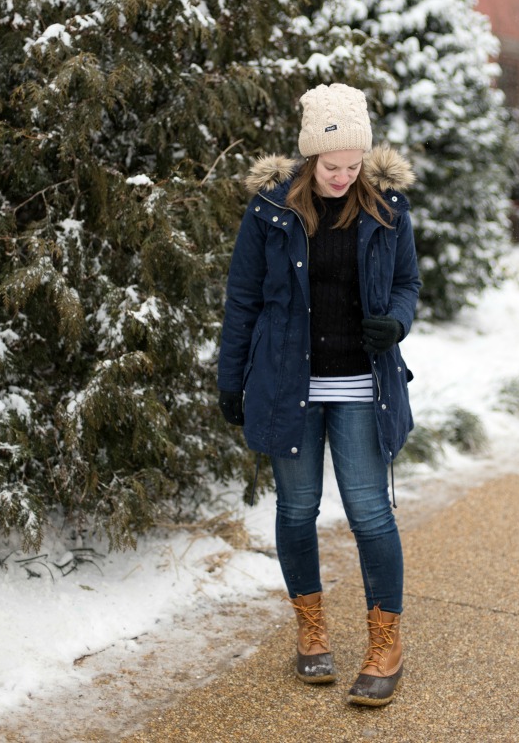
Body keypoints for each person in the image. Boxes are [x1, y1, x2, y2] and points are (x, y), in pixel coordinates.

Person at [217, 82, 421, 707]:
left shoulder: (388, 208)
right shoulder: (270, 211)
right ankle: (312, 632)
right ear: (310, 157)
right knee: (297, 509)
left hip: (362, 385)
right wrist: (231, 380)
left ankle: (385, 643)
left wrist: (396, 321)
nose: (343, 176)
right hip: (288, 387)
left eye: (352, 165)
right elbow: (243, 300)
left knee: (369, 512)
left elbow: (409, 284)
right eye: (332, 166)